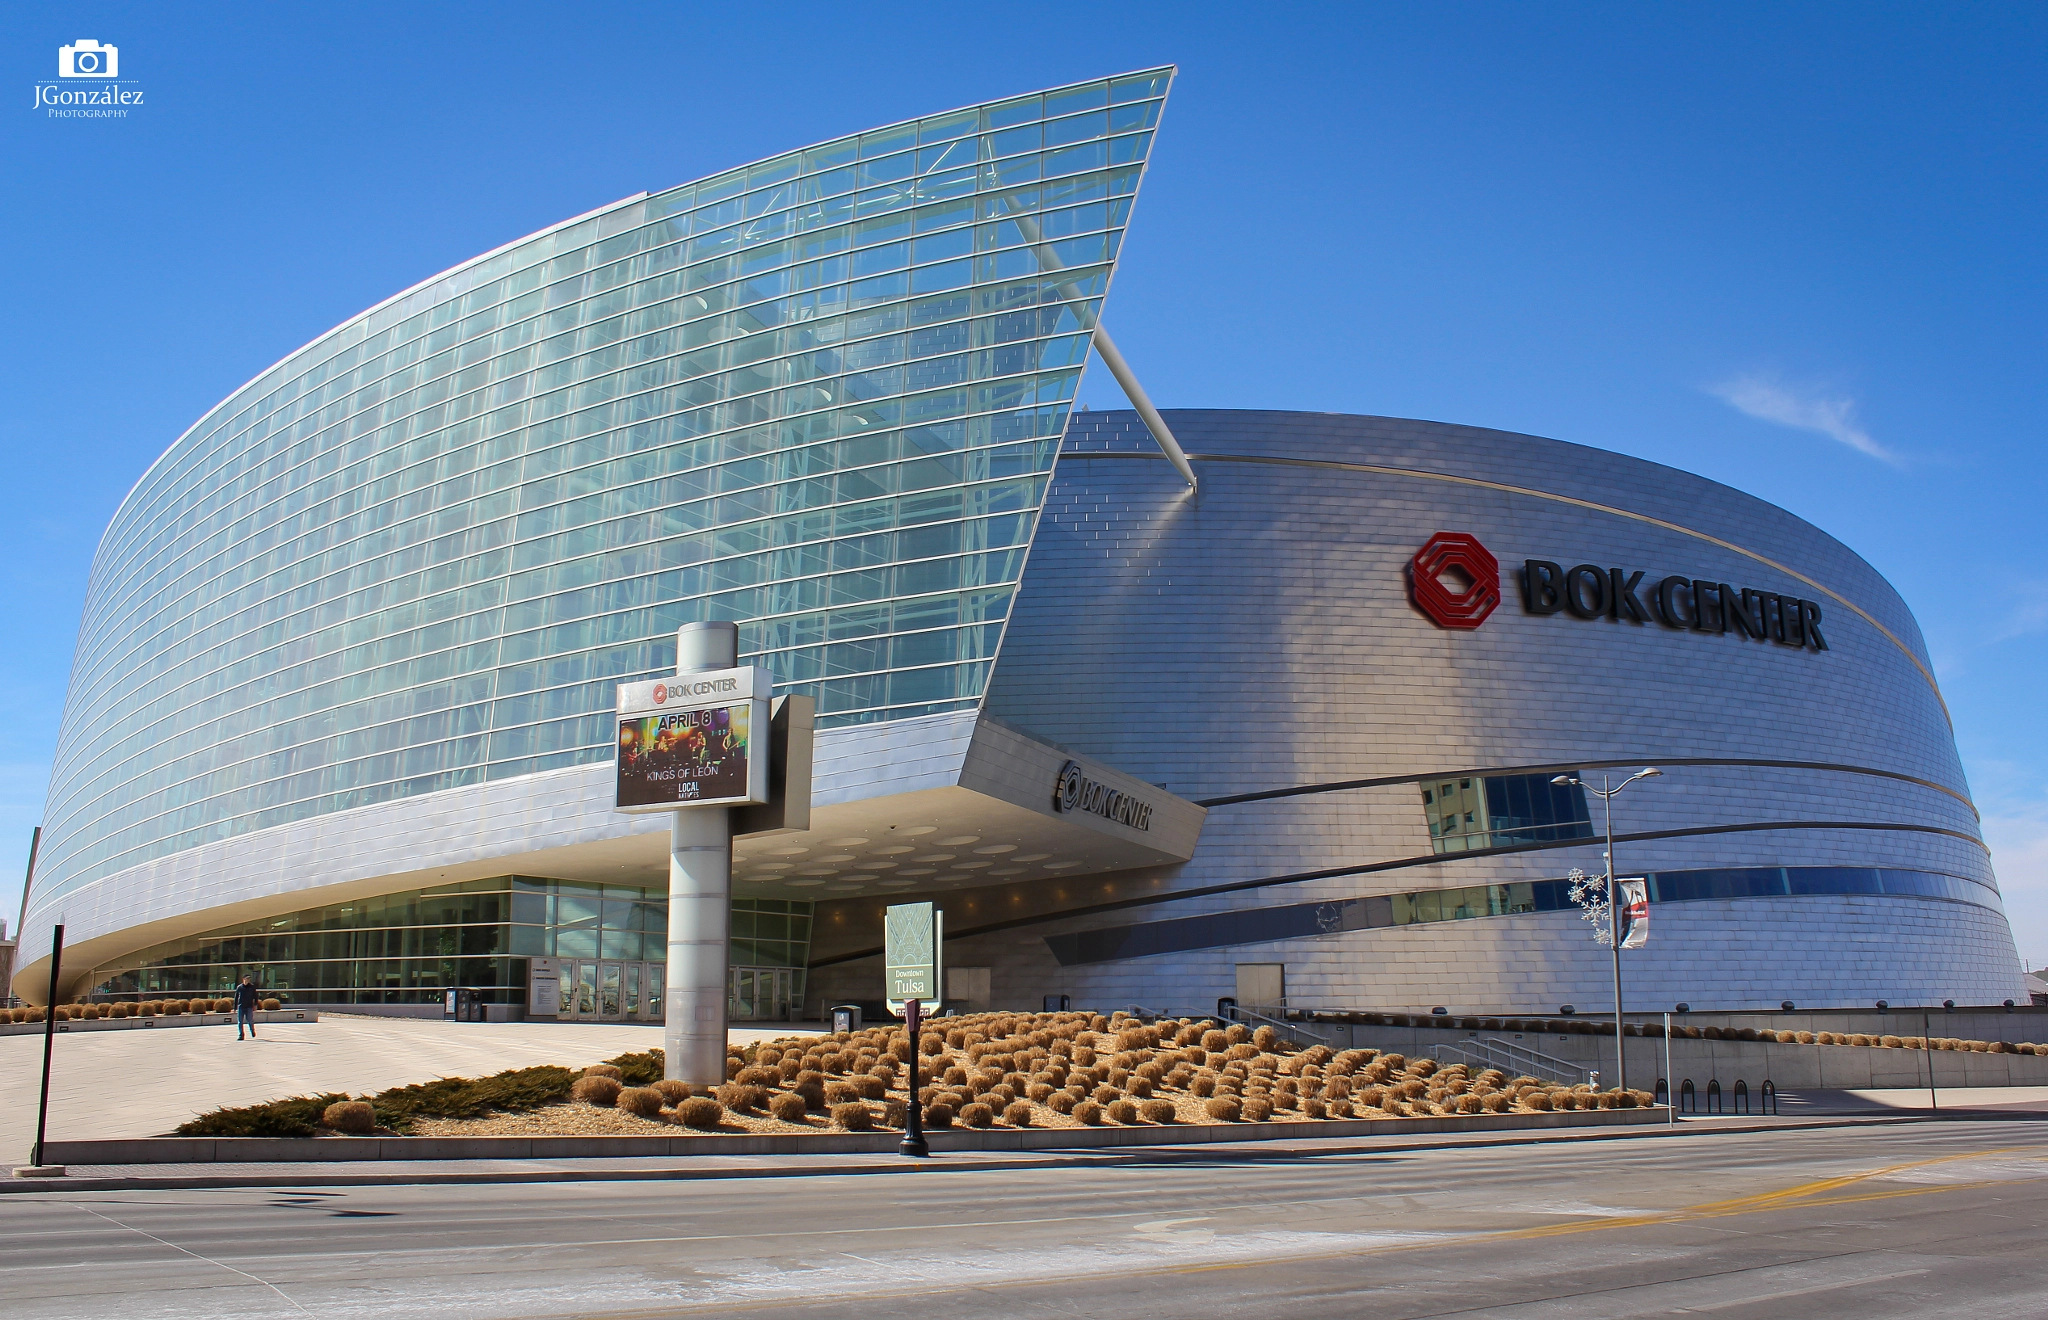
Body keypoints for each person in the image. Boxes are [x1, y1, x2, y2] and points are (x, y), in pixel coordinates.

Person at [233, 975, 260, 1040]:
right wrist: (234, 1007)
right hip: (241, 1006)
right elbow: (236, 997)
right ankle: (241, 1035)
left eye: (248, 979)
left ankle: (252, 1031)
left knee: (250, 1020)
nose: (247, 980)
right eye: (246, 979)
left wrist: (255, 1005)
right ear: (243, 979)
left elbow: (256, 996)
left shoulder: (252, 987)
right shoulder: (239, 987)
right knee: (240, 1021)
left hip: (249, 1007)